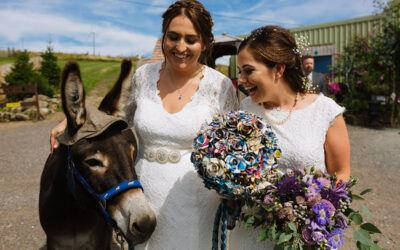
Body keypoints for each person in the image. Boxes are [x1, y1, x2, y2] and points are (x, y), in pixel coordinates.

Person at [50, 0, 239, 249]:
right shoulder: (143, 76)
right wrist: (71, 120)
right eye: (173, 37)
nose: (181, 47)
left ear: (204, 43)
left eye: (191, 40)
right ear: (164, 37)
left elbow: (234, 144)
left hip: (197, 200)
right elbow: (118, 119)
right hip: (143, 194)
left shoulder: (221, 86)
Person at [228, 25, 350, 249]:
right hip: (251, 234)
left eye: (248, 70)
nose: (242, 80)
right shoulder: (244, 111)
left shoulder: (324, 111)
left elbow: (341, 172)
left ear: (278, 69)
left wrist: (313, 214)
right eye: (240, 72)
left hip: (303, 238)